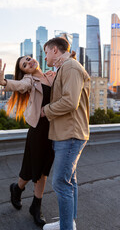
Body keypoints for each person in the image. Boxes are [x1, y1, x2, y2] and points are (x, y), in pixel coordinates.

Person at [0, 56, 57, 228]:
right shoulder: (29, 80)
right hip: (38, 130)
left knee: (33, 170)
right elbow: (20, 85)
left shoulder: (53, 75)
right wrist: (3, 82)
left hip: (54, 129)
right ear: (25, 72)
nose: (29, 63)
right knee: (38, 171)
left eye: (28, 59)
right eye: (24, 65)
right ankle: (36, 206)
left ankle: (17, 189)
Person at [41, 37, 90, 230]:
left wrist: (46, 110)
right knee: (70, 181)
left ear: (54, 50)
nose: (45, 57)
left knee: (61, 183)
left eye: (46, 52)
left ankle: (66, 227)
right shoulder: (65, 68)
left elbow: (70, 102)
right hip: (67, 132)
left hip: (70, 134)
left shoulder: (70, 67)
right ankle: (68, 223)